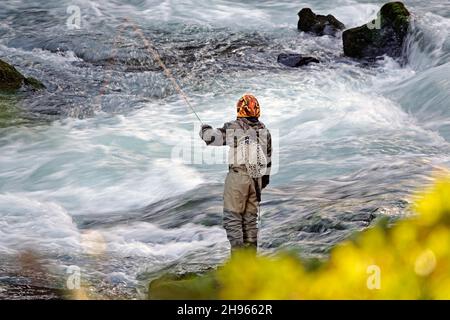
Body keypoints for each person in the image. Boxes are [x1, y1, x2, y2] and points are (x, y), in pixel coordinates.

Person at [199, 94, 272, 254]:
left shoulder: (234, 127)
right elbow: (267, 162)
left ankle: (238, 261)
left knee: (233, 219)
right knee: (250, 222)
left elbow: (212, 139)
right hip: (257, 181)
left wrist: (204, 130)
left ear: (240, 109)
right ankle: (251, 261)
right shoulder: (265, 131)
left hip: (238, 177)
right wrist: (261, 184)